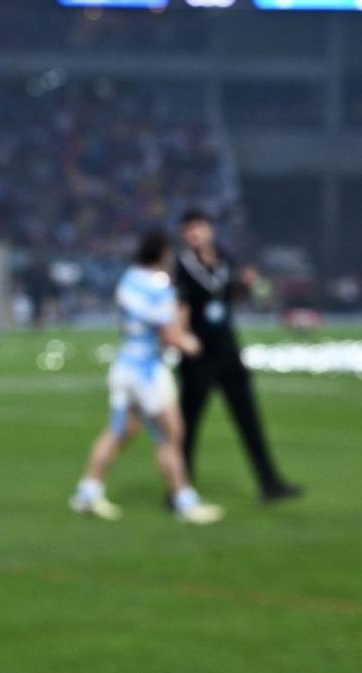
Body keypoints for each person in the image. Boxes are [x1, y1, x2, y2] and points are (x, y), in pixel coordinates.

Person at [70, 230, 224, 525]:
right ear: (164, 253)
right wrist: (190, 343)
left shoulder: (129, 279)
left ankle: (88, 491)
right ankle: (185, 501)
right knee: (172, 434)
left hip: (124, 364)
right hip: (148, 371)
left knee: (119, 431)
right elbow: (169, 333)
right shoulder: (159, 286)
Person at [173, 209, 302, 503]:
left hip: (227, 350)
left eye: (198, 227)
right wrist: (182, 338)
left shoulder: (224, 259)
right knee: (188, 425)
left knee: (249, 419)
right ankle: (180, 488)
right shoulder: (181, 266)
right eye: (188, 229)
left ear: (210, 230)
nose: (194, 233)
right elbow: (179, 305)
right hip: (197, 355)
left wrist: (244, 285)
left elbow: (227, 298)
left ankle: (269, 483)